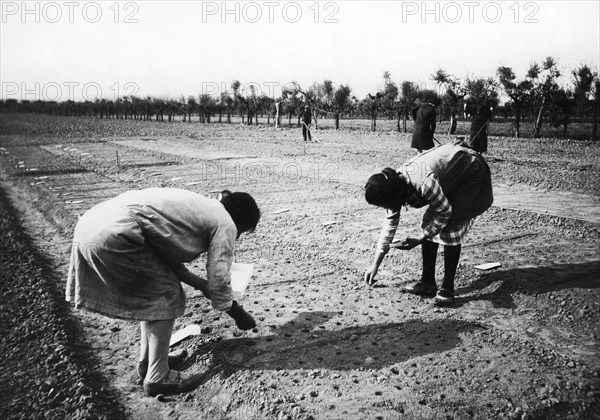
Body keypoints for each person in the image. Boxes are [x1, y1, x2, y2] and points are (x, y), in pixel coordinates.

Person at [66, 188, 260, 396]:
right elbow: (219, 275)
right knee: (166, 295)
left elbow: (168, 262)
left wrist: (202, 286)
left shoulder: (200, 208)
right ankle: (159, 377)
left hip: (91, 225)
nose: (237, 236)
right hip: (116, 232)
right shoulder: (226, 223)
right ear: (242, 223)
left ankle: (149, 363)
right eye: (242, 232)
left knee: (153, 295)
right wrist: (234, 311)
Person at [363, 143, 493, 306]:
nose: (386, 209)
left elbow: (445, 212)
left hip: (470, 170)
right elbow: (390, 225)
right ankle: (428, 283)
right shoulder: (393, 185)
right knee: (428, 223)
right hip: (450, 172)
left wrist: (420, 238)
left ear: (392, 197)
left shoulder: (423, 183)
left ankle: (448, 289)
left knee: (451, 227)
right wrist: (375, 265)